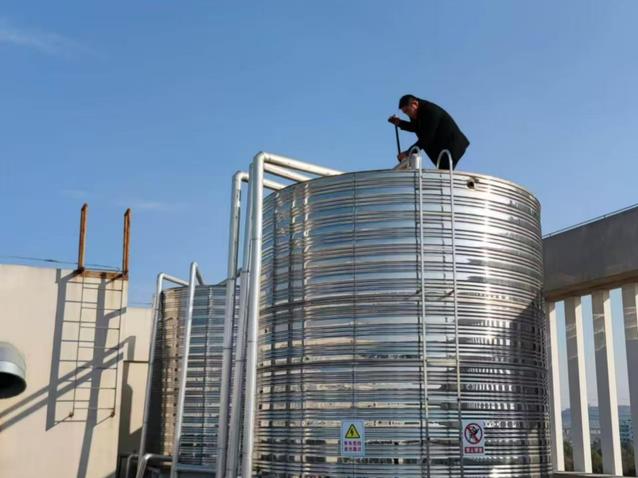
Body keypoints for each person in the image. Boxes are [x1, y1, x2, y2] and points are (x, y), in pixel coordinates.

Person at [388, 94, 469, 169]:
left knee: (444, 171)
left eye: (407, 111)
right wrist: (399, 123)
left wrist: (408, 153)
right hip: (441, 148)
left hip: (451, 146)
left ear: (415, 104)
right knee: (443, 171)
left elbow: (427, 138)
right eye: (405, 112)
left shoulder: (430, 111)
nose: (407, 114)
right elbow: (416, 127)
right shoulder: (415, 112)